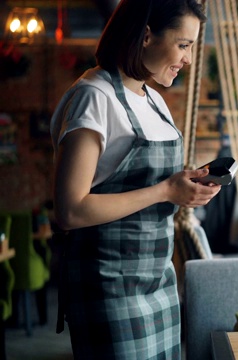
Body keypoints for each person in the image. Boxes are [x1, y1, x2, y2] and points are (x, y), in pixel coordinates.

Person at [50, 1, 218, 358]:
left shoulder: (154, 100)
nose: (188, 59)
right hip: (109, 286)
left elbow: (156, 185)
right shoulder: (93, 96)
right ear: (145, 36)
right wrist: (164, 190)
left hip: (159, 281)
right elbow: (70, 210)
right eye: (184, 45)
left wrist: (184, 183)